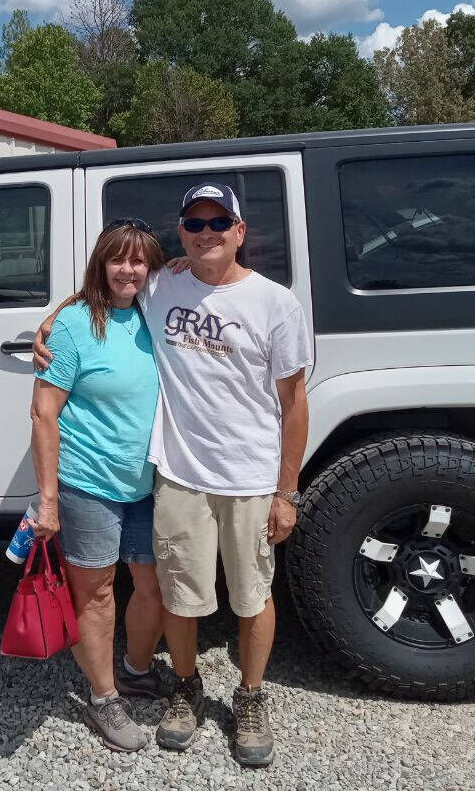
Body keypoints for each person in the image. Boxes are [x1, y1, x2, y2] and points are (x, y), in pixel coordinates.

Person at [35, 183, 312, 767]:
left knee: (251, 595)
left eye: (219, 223)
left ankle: (251, 697)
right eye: (195, 223)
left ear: (240, 231)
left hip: (248, 478)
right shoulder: (163, 286)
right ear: (181, 233)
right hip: (178, 476)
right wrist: (53, 318)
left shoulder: (275, 303)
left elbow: (295, 404)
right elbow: (106, 287)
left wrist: (287, 492)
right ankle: (183, 689)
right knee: (181, 597)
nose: (207, 232)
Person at [29, 218, 174, 753]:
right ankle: (104, 698)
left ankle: (136, 670)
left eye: (139, 260)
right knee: (97, 594)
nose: (128, 269)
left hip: (149, 481)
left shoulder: (154, 311)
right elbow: (44, 415)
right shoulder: (71, 326)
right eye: (117, 259)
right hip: (89, 484)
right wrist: (48, 501)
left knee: (152, 585)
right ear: (101, 263)